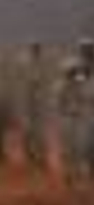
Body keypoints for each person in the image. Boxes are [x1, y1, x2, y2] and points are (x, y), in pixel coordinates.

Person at [55, 39, 94, 184]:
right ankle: (72, 175)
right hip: (73, 118)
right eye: (70, 72)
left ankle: (90, 173)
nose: (74, 73)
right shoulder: (64, 84)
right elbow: (57, 103)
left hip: (89, 116)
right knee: (71, 148)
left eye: (89, 47)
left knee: (88, 147)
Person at [18, 43, 51, 171]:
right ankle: (29, 153)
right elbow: (20, 80)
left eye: (37, 48)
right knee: (27, 128)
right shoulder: (23, 61)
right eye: (34, 48)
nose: (36, 50)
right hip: (26, 99)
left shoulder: (44, 62)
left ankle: (42, 156)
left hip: (40, 100)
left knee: (40, 130)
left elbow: (47, 80)